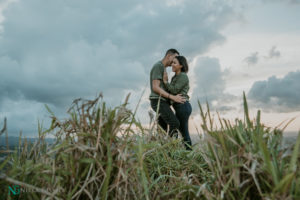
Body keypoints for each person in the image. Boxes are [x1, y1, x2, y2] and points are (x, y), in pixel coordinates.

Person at [149, 49, 186, 138]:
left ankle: (164, 149)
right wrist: (173, 97)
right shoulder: (158, 66)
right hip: (158, 101)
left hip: (162, 101)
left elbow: (162, 87)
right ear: (169, 56)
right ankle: (172, 147)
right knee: (175, 123)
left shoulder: (163, 68)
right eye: (175, 57)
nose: (175, 60)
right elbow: (155, 87)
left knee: (163, 129)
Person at [163, 56, 192, 150]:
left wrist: (165, 82)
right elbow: (171, 92)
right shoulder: (175, 77)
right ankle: (177, 150)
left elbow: (174, 90)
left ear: (181, 65)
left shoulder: (183, 76)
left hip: (183, 106)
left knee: (183, 132)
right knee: (178, 129)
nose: (172, 64)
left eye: (174, 63)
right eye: (172, 63)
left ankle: (189, 153)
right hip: (179, 107)